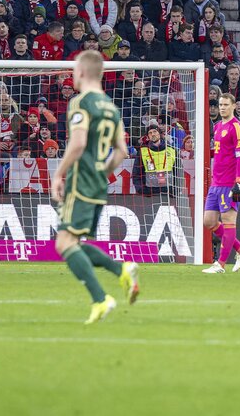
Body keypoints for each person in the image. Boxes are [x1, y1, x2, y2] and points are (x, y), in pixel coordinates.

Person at [48, 51, 140, 323]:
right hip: (99, 183)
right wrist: (103, 171)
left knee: (64, 243)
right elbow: (122, 151)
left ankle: (101, 299)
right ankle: (121, 270)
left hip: (81, 181)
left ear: (83, 72)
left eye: (75, 69)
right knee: (73, 241)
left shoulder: (81, 103)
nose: (73, 74)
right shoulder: (111, 107)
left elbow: (77, 144)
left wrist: (58, 174)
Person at [201, 93, 240, 274]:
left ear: (233, 106)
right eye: (220, 105)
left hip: (229, 183)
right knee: (208, 221)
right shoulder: (217, 127)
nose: (222, 108)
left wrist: (238, 182)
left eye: (225, 105)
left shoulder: (237, 127)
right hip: (216, 183)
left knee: (228, 221)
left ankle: (220, 264)